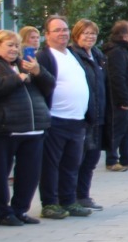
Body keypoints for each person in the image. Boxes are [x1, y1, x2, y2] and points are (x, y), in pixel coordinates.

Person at [0, 30, 55, 226]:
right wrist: (16, 79)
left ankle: (20, 210)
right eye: (9, 45)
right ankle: (4, 213)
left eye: (17, 45)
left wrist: (38, 71)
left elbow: (50, 85)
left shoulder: (26, 64)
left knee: (29, 173)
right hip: (3, 129)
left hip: (33, 128)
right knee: (0, 174)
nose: (14, 49)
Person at [35, 15, 94, 219]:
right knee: (51, 165)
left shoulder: (72, 54)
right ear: (47, 35)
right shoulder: (45, 56)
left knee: (71, 164)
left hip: (77, 120)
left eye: (65, 29)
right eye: (57, 30)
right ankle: (50, 203)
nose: (63, 33)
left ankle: (68, 200)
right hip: (55, 119)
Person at [69, 20, 106, 211]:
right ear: (77, 35)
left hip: (98, 114)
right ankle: (71, 196)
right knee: (78, 159)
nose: (90, 37)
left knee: (91, 158)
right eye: (86, 33)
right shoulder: (73, 55)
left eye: (93, 33)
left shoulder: (97, 55)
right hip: (82, 115)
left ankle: (83, 195)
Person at [104, 21, 128, 171]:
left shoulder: (125, 51)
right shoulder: (116, 52)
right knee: (117, 130)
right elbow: (117, 77)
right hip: (119, 100)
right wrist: (123, 99)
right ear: (124, 35)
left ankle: (127, 159)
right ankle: (112, 160)